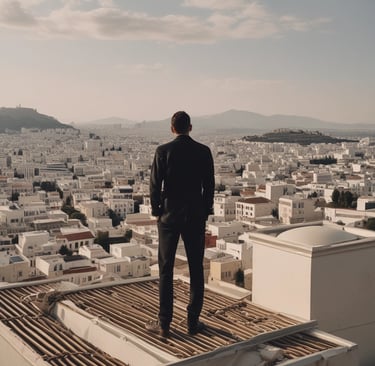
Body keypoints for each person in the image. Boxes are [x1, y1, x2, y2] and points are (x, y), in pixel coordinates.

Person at [148, 111, 215, 337]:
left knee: (165, 268)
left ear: (172, 128)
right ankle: (192, 322)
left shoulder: (163, 151)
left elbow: (155, 185)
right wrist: (206, 211)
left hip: (169, 215)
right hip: (195, 215)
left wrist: (157, 211)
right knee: (196, 268)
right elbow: (209, 185)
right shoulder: (204, 152)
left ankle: (164, 323)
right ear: (191, 127)